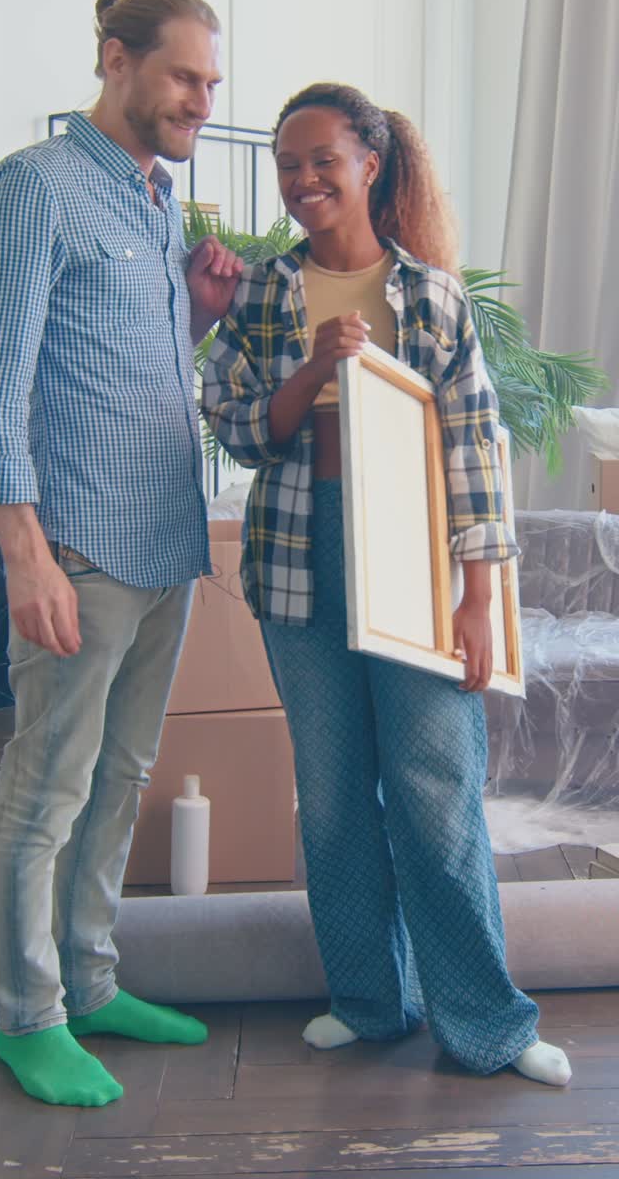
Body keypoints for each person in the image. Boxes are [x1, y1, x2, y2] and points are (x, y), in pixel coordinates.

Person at [202, 83, 572, 1086]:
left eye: (322, 159)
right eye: (288, 164)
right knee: (330, 799)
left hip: (416, 564)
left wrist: (478, 596)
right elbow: (236, 425)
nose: (303, 179)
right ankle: (369, 1002)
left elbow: (474, 452)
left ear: (370, 163)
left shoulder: (432, 296)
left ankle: (489, 1024)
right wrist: (312, 371)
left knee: (435, 792)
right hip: (298, 558)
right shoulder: (265, 293)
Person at [0, 0, 242, 1108]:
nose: (202, 100)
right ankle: (29, 1014)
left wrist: (193, 314)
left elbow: (112, 359)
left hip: (164, 544)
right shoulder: (37, 189)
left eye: (212, 82)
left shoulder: (158, 198)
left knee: (119, 777)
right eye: (183, 77)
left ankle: (92, 980)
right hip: (77, 549)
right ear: (116, 60)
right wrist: (25, 556)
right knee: (46, 788)